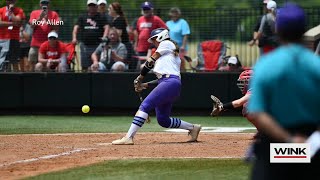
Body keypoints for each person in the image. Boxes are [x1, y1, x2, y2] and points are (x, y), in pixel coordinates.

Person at [248, 4, 320, 180]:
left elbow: (257, 112)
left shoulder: (266, 65)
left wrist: (290, 141)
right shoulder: (316, 65)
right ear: (303, 30)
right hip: (312, 145)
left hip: (276, 142)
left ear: (278, 29)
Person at [112, 28, 201, 145]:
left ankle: (129, 137)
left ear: (161, 37)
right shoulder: (168, 54)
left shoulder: (166, 43)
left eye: (154, 39)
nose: (153, 43)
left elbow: (150, 62)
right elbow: (163, 78)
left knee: (144, 106)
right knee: (163, 120)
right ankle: (193, 128)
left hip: (169, 83)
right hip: (170, 84)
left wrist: (140, 77)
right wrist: (145, 84)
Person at [72, 0, 109, 71]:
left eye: (93, 6)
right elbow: (76, 28)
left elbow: (106, 27)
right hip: (85, 45)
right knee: (85, 66)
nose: (92, 7)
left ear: (96, 7)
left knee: (97, 65)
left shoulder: (101, 17)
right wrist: (74, 38)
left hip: (97, 45)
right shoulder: (82, 17)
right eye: (90, 6)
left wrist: (104, 37)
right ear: (87, 7)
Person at [28, 0, 60, 72]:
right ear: (39, 4)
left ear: (49, 4)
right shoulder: (34, 13)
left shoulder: (54, 14)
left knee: (47, 66)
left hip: (48, 45)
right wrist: (40, 17)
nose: (44, 4)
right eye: (43, 3)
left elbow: (56, 28)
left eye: (46, 3)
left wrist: (47, 19)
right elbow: (32, 25)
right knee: (32, 64)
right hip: (35, 44)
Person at [108, 2, 135, 70]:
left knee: (124, 65)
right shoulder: (115, 19)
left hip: (124, 46)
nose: (108, 9)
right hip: (121, 45)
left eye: (110, 8)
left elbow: (118, 35)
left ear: (115, 10)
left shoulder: (119, 19)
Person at [0, 0, 25, 71]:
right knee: (2, 59)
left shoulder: (19, 10)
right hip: (2, 39)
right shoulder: (1, 10)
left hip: (14, 39)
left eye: (13, 0)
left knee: (14, 60)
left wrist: (11, 12)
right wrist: (13, 24)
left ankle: (16, 79)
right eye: (9, 0)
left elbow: (18, 20)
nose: (11, 1)